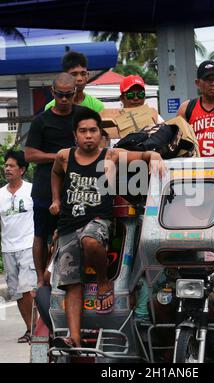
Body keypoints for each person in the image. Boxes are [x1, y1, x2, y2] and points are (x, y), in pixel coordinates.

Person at [49, 107, 165, 348]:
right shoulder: (64, 156)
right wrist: (56, 200)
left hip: (98, 220)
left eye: (93, 130)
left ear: (99, 133)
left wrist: (154, 157)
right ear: (75, 135)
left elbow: (141, 156)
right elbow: (55, 173)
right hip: (69, 223)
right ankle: (75, 338)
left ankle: (103, 281)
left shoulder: (110, 156)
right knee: (71, 283)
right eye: (83, 131)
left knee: (90, 241)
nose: (88, 135)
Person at [24, 73, 86, 290]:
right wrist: (60, 156)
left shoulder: (83, 116)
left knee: (77, 232)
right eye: (60, 95)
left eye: (68, 95)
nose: (64, 99)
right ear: (53, 93)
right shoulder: (41, 120)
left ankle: (72, 276)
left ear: (74, 93)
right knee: (41, 233)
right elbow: (29, 155)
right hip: (44, 188)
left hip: (78, 187)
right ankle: (40, 279)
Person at [0, 150, 36, 343]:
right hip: (8, 249)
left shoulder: (31, 190)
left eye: (12, 165)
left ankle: (37, 329)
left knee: (29, 289)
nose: (7, 168)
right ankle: (30, 329)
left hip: (28, 246)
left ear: (22, 169)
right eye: (6, 165)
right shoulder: (0, 195)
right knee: (18, 293)